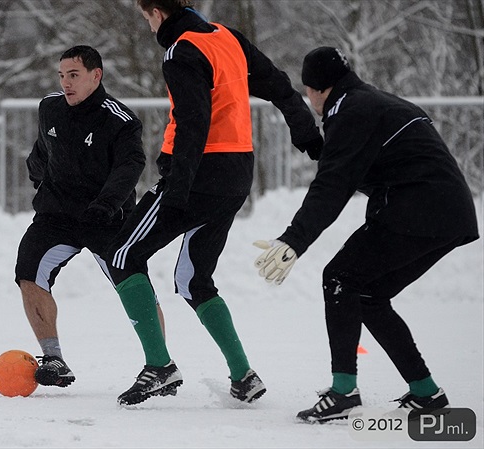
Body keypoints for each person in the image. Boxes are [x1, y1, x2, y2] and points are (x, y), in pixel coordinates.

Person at [106, 0, 323, 406]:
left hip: (199, 174)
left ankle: (160, 367)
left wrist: (177, 191)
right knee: (193, 280)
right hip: (237, 173)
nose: (148, 26)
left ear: (155, 13)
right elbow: (279, 86)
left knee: (120, 255)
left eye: (145, 18)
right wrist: (307, 135)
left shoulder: (180, 52)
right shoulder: (225, 38)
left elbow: (193, 123)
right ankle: (243, 375)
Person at [253, 47, 479, 423]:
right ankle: (426, 393)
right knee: (369, 294)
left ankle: (344, 393)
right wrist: (317, 146)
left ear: (318, 89)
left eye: (308, 92)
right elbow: (355, 163)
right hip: (444, 211)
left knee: (340, 278)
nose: (309, 100)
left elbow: (333, 184)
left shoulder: (352, 111)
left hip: (420, 209)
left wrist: (294, 239)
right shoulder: (368, 101)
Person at [15, 45, 166, 388]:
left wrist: (106, 204)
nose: (66, 83)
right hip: (58, 215)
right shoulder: (50, 107)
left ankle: (160, 364)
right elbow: (43, 150)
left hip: (107, 217)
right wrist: (36, 172)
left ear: (96, 76)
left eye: (74, 75)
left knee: (133, 283)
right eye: (62, 75)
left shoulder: (120, 119)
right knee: (28, 271)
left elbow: (131, 166)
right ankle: (53, 358)